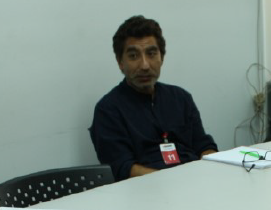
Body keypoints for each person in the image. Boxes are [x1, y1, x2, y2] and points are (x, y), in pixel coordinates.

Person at [89, 16, 218, 180]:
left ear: (161, 57)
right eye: (133, 56)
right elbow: (122, 168)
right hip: (145, 189)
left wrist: (212, 167)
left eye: (151, 54)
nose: (144, 65)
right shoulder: (108, 110)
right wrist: (173, 181)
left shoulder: (181, 98)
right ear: (120, 62)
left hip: (195, 181)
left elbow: (203, 145)